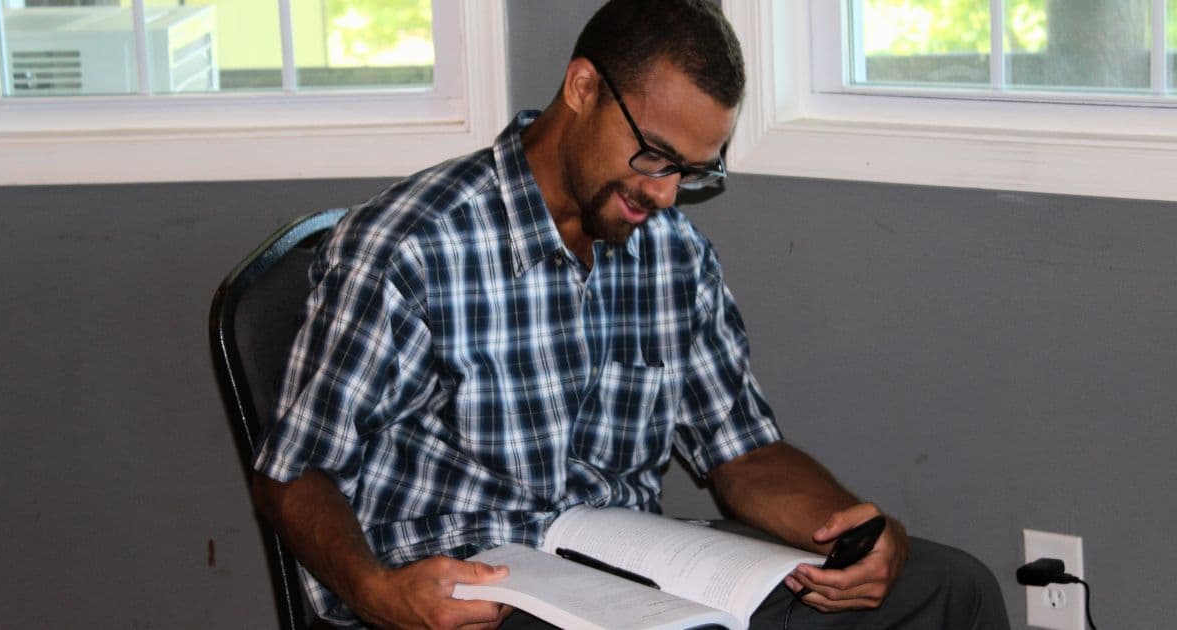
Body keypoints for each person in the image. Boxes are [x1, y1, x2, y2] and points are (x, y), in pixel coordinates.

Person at [251, 1, 1011, 628]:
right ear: (582, 87)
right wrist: (376, 591)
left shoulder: (672, 254)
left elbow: (742, 453)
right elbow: (293, 473)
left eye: (692, 169)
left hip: (626, 571)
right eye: (654, 155)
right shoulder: (414, 247)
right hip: (466, 588)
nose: (667, 193)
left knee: (951, 590)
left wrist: (853, 534)